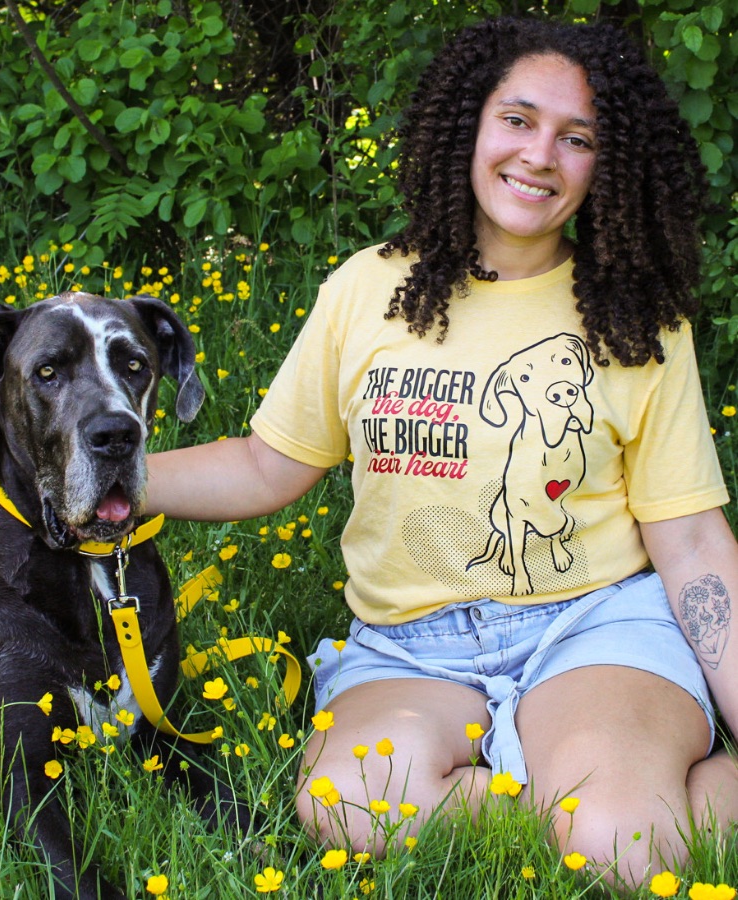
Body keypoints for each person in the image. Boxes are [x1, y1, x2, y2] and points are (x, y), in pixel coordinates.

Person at [146, 16, 738, 888]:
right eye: (519, 120)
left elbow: (690, 543)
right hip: (410, 649)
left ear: (604, 166)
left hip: (593, 625)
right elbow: (268, 464)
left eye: (577, 139)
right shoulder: (365, 290)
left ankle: (610, 801)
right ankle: (578, 795)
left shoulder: (636, 316)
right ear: (470, 124)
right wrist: (103, 482)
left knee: (622, 851)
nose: (540, 155)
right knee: (344, 806)